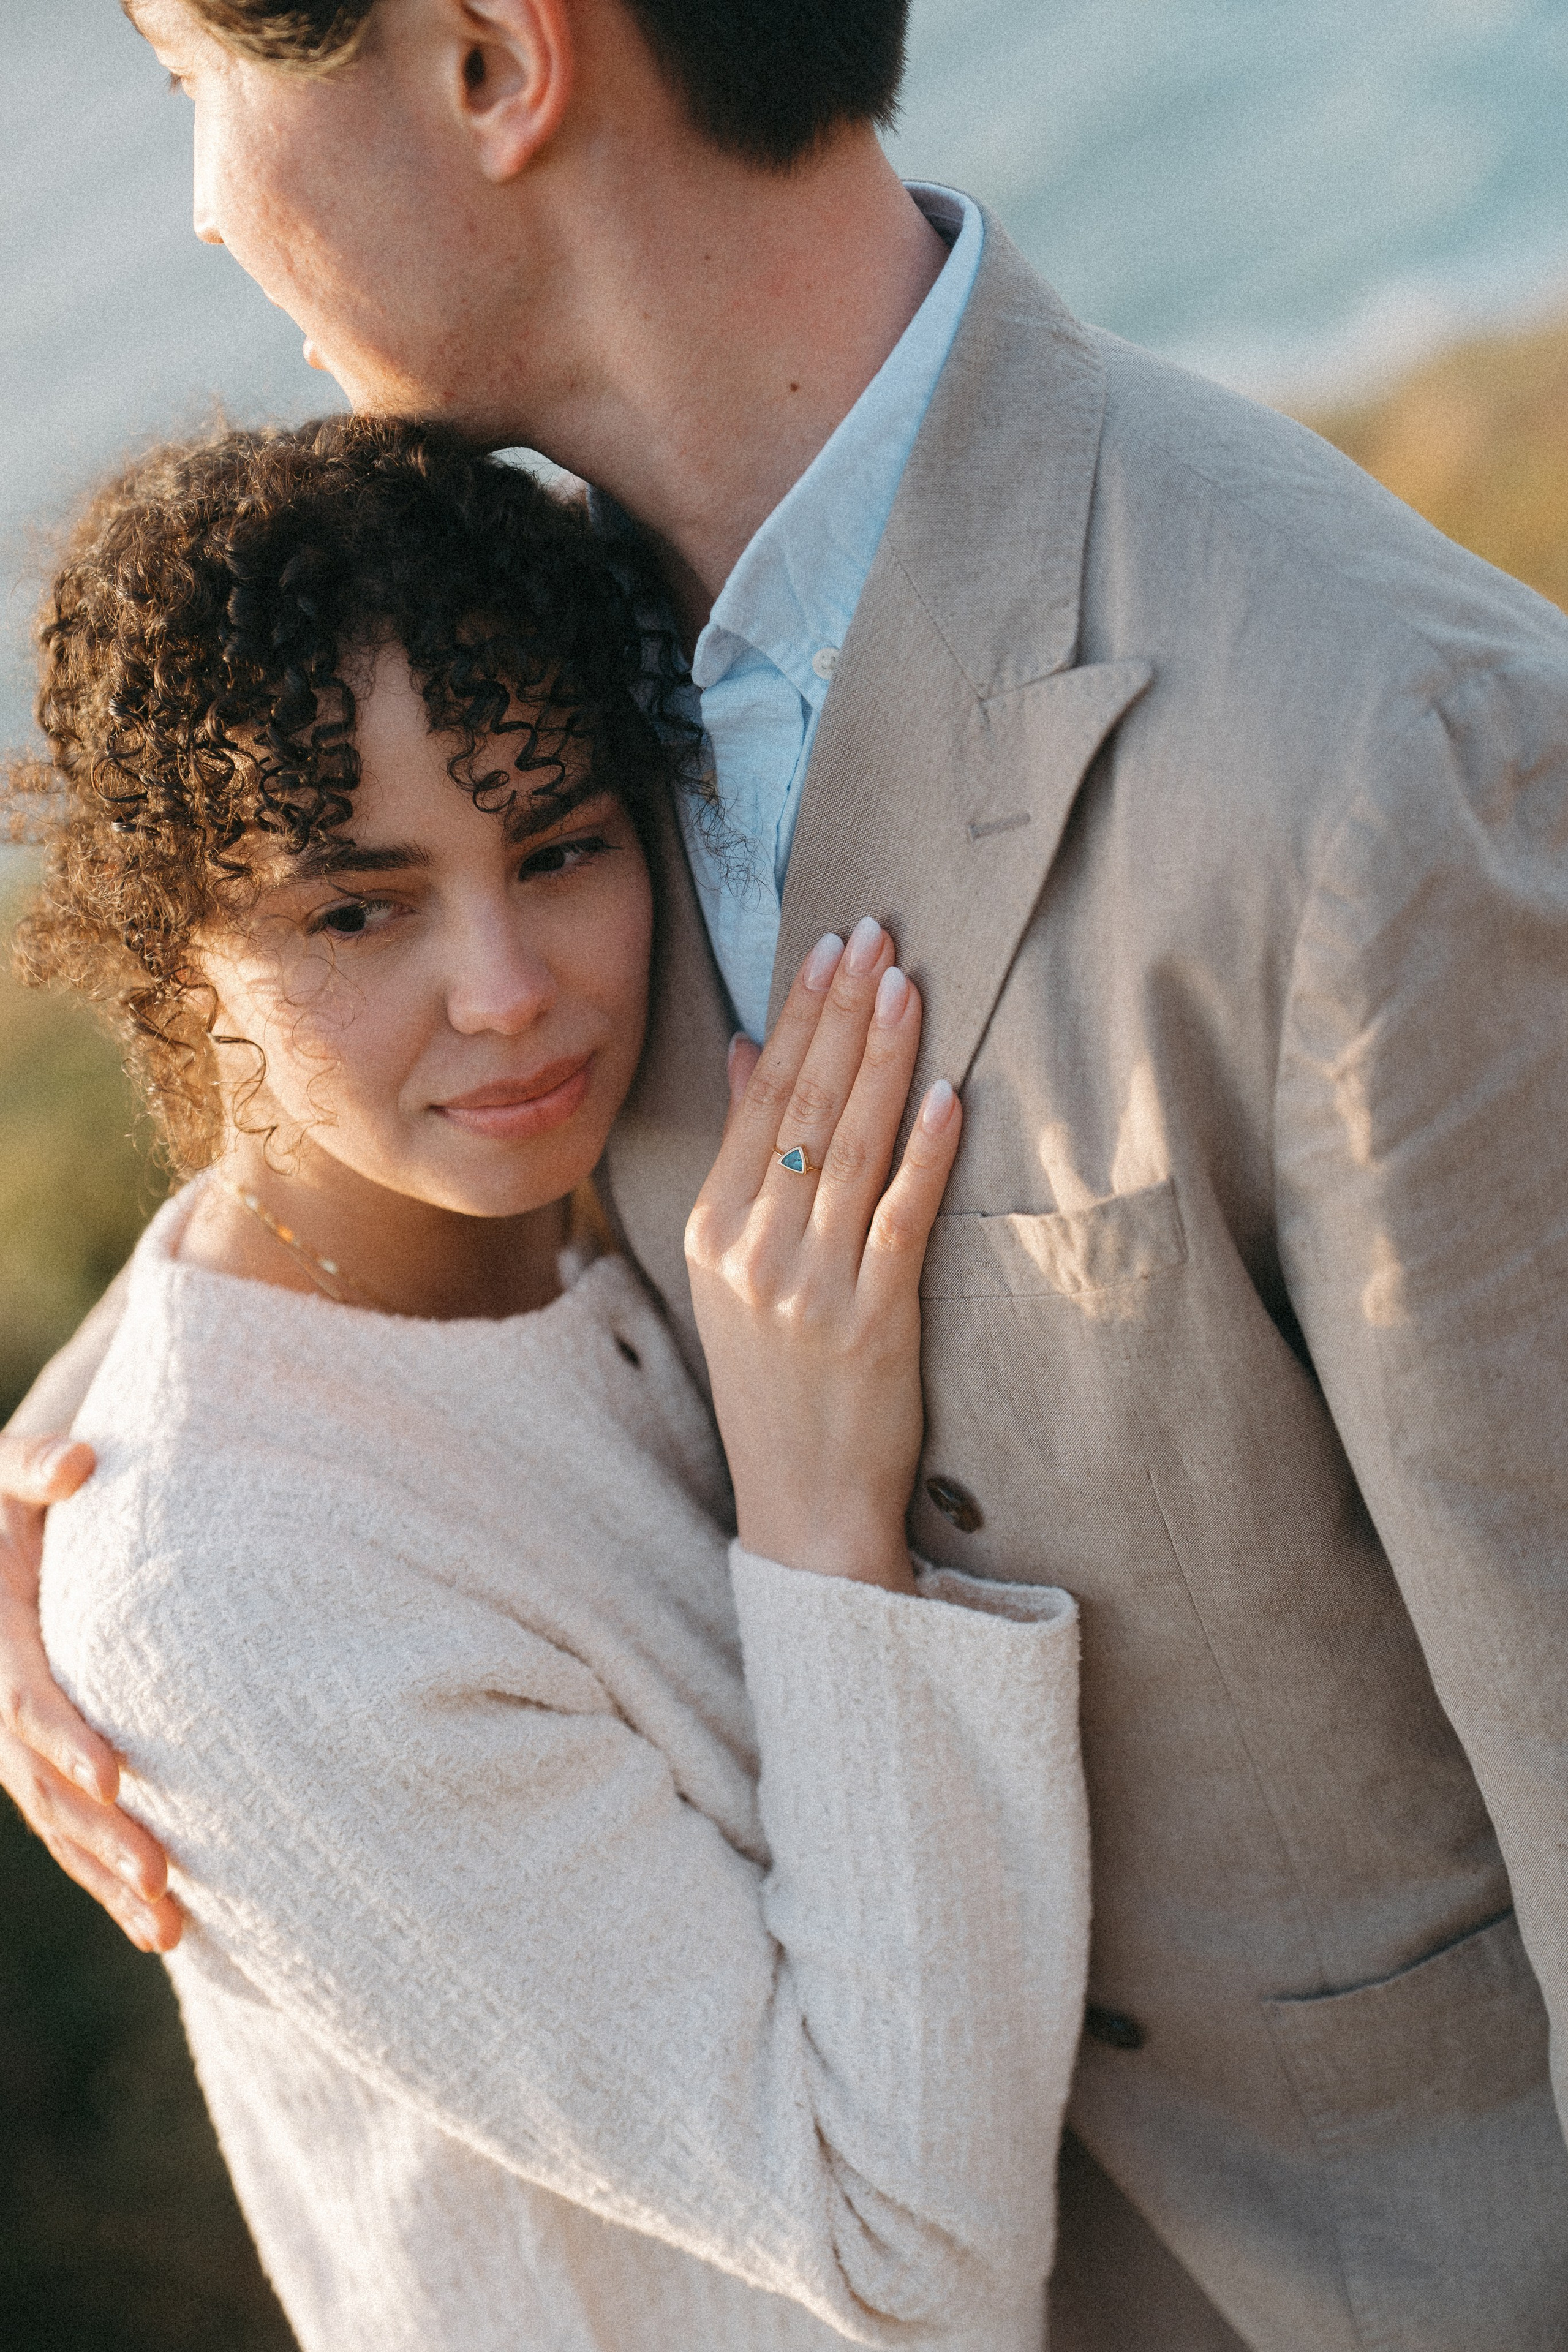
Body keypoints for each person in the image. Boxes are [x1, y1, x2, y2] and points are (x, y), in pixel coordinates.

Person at [3, 1, 1566, 2342]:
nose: (209, 204)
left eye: (188, 79)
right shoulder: (540, 672)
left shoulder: (1378, 752)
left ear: (489, 62)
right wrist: (103, 1474)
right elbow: (391, 1091)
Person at [15, 414, 1090, 2351]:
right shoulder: (233, 1599)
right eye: (358, 908)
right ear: (174, 954)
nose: (509, 989)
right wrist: (822, 1518)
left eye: (560, 845)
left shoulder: (563, 1183)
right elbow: (910, 2263)